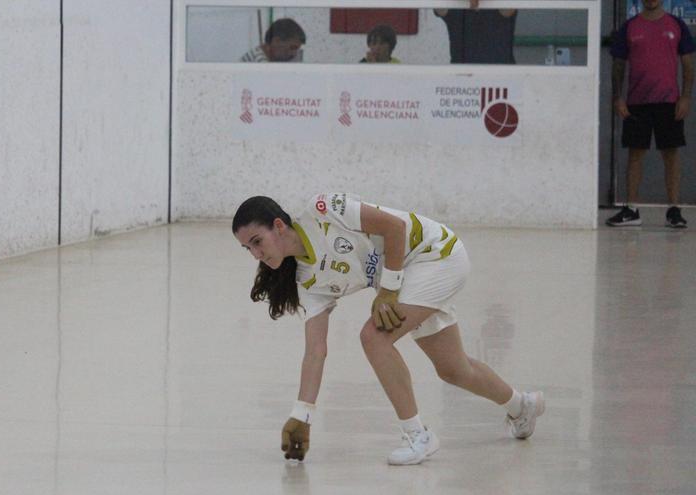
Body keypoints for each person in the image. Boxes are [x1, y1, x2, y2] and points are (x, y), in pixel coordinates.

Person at [232, 194, 545, 465]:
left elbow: (395, 227)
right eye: (248, 249)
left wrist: (389, 289)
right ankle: (522, 406)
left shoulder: (322, 209)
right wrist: (302, 415)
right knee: (453, 369)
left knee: (374, 338)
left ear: (278, 225)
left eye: (257, 241)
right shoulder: (307, 280)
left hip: (436, 253)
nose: (256, 254)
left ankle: (418, 435)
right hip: (413, 277)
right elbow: (315, 351)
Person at [607, 0, 694, 228]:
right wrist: (618, 97)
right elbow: (618, 65)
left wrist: (685, 96)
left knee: (671, 155)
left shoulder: (677, 25)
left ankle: (674, 210)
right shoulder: (629, 27)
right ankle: (632, 209)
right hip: (637, 102)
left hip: (669, 102)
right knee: (635, 154)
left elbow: (688, 63)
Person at [434, 0, 517, 64]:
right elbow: (440, 8)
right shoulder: (452, 7)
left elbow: (508, 10)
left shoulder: (502, 5)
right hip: (463, 79)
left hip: (503, 78)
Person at [240, 18, 306, 63]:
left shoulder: (261, 53)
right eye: (292, 47)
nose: (294, 53)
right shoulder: (260, 62)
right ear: (276, 41)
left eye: (297, 49)